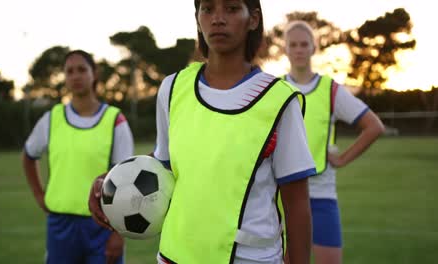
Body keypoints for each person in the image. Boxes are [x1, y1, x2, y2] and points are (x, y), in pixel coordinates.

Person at [90, 1, 315, 263]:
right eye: (208, 9)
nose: (217, 19)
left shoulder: (278, 101)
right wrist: (110, 180)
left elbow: (297, 204)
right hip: (174, 256)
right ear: (197, 19)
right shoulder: (173, 88)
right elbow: (165, 161)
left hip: (251, 258)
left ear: (253, 19)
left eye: (231, 8)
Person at [282, 20, 385, 264]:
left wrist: (341, 159)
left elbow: (374, 126)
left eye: (304, 44)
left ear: (313, 48)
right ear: (285, 49)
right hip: (281, 196)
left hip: (321, 194)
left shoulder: (329, 89)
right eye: (293, 44)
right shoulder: (276, 88)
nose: (298, 49)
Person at [22, 49, 134, 264]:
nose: (76, 76)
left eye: (82, 69)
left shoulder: (114, 119)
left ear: (94, 74)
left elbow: (126, 181)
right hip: (60, 225)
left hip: (102, 226)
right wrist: (39, 194)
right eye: (70, 71)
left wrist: (119, 234)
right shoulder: (52, 118)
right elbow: (28, 156)